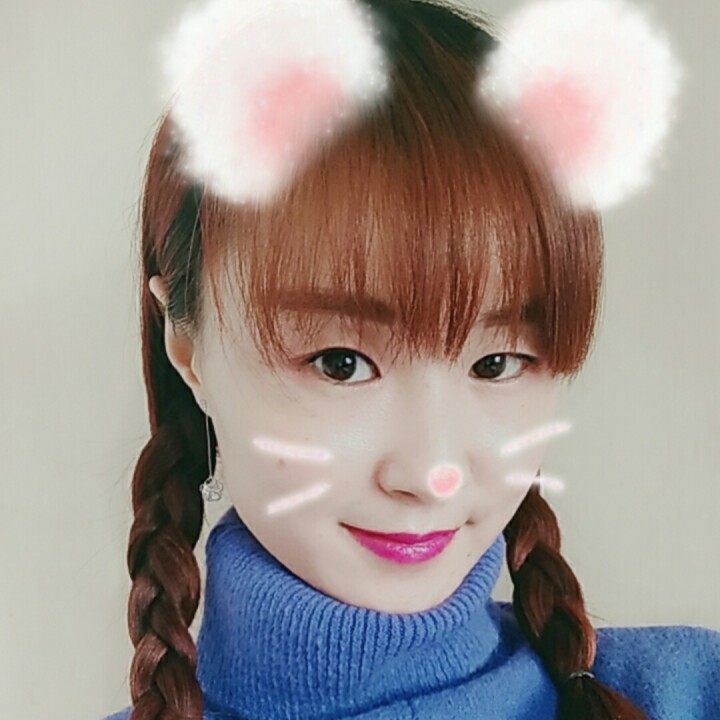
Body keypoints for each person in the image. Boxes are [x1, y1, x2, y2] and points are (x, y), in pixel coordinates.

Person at [102, 0, 720, 718]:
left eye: (497, 363)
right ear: (186, 345)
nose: (431, 474)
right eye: (340, 363)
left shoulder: (689, 693)